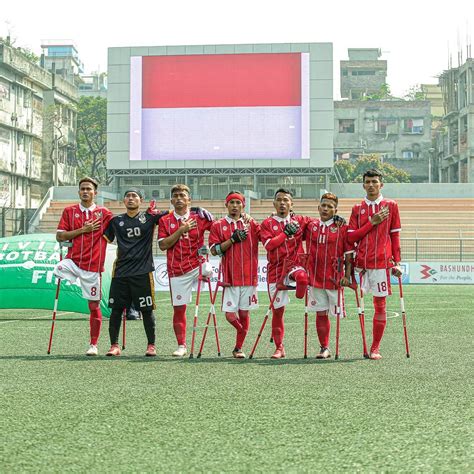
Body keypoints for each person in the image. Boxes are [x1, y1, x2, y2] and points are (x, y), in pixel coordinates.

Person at [103, 189, 169, 357]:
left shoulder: (150, 218)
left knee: (147, 310)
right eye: (128, 196)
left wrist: (196, 210)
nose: (131, 199)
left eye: (134, 196)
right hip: (120, 272)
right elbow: (104, 240)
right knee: (116, 310)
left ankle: (151, 345)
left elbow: (175, 213)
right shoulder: (116, 221)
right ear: (123, 200)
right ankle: (114, 345)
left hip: (142, 272)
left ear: (141, 200)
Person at [54, 177, 113, 356]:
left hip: (93, 267)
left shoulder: (105, 214)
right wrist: (82, 230)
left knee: (94, 306)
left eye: (89, 189)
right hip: (72, 262)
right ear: (78, 192)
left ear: (96, 192)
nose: (85, 191)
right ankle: (71, 285)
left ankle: (93, 344)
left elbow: (120, 229)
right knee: (57, 269)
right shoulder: (69, 211)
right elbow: (60, 237)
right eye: (82, 189)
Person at [347, 169, 402, 360]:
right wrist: (372, 222)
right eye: (368, 182)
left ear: (381, 185)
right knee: (360, 305)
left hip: (381, 265)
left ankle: (375, 348)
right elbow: (351, 236)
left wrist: (397, 262)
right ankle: (362, 344)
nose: (371, 185)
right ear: (363, 185)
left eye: (375, 182)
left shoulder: (391, 206)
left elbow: (394, 235)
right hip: (361, 265)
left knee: (380, 306)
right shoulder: (357, 208)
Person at [158, 184, 214, 357]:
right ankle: (182, 345)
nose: (179, 198)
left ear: (189, 200)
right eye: (175, 195)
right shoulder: (165, 221)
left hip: (197, 265)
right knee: (179, 308)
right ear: (171, 200)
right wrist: (181, 230)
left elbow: (220, 230)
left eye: (183, 195)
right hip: (177, 270)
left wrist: (244, 216)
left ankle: (205, 275)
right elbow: (163, 245)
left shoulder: (200, 218)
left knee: (207, 268)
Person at [209, 191, 260, 359]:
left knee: (244, 314)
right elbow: (214, 250)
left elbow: (266, 233)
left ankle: (238, 348)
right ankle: (241, 331)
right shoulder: (218, 225)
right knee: (230, 315)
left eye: (238, 203)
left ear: (243, 205)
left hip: (249, 277)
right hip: (230, 277)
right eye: (232, 203)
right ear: (226, 205)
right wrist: (231, 240)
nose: (235, 206)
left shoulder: (251, 223)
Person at [259, 188, 310, 359]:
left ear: (291, 204)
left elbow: (318, 224)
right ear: (274, 204)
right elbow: (269, 245)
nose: (282, 203)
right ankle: (279, 347)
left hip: (294, 265)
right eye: (279, 200)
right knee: (278, 311)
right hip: (275, 270)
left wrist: (335, 220)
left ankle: (300, 293)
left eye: (286, 200)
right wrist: (285, 233)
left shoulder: (300, 221)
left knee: (303, 278)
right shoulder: (267, 223)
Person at [305, 192, 354, 359]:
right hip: (315, 278)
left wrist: (347, 276)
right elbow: (289, 219)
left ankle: (334, 346)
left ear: (336, 210)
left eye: (330, 207)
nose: (326, 208)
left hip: (335, 279)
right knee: (320, 313)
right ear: (318, 207)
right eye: (323, 205)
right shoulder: (310, 226)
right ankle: (324, 347)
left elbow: (348, 255)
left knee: (336, 314)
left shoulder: (342, 228)